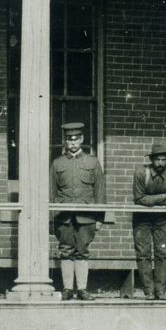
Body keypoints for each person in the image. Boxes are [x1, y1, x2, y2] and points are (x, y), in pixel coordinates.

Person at [49, 119, 103, 300]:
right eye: (69, 139)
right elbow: (51, 192)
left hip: (86, 216)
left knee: (82, 251)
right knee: (65, 250)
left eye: (76, 139)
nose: (72, 143)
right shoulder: (58, 164)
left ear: (82, 140)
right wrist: (51, 218)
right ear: (65, 141)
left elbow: (100, 192)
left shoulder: (92, 162)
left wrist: (100, 218)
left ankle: (82, 289)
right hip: (63, 216)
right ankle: (67, 289)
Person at [130, 142, 166, 301]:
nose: (160, 163)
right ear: (151, 160)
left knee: (162, 253)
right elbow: (138, 198)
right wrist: (162, 196)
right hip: (142, 218)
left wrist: (151, 200)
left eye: (164, 160)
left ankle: (160, 290)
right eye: (157, 160)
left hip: (162, 219)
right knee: (143, 253)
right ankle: (149, 291)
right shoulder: (140, 172)